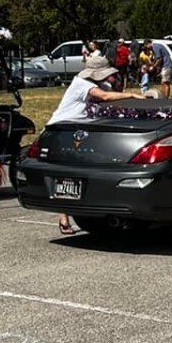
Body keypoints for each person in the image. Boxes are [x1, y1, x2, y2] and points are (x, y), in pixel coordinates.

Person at [50, 58, 125, 236]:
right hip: (62, 130)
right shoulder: (81, 83)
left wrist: (117, 83)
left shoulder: (97, 84)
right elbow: (106, 97)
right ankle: (64, 217)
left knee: (74, 174)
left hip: (78, 132)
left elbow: (112, 95)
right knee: (67, 174)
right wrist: (134, 95)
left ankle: (68, 216)